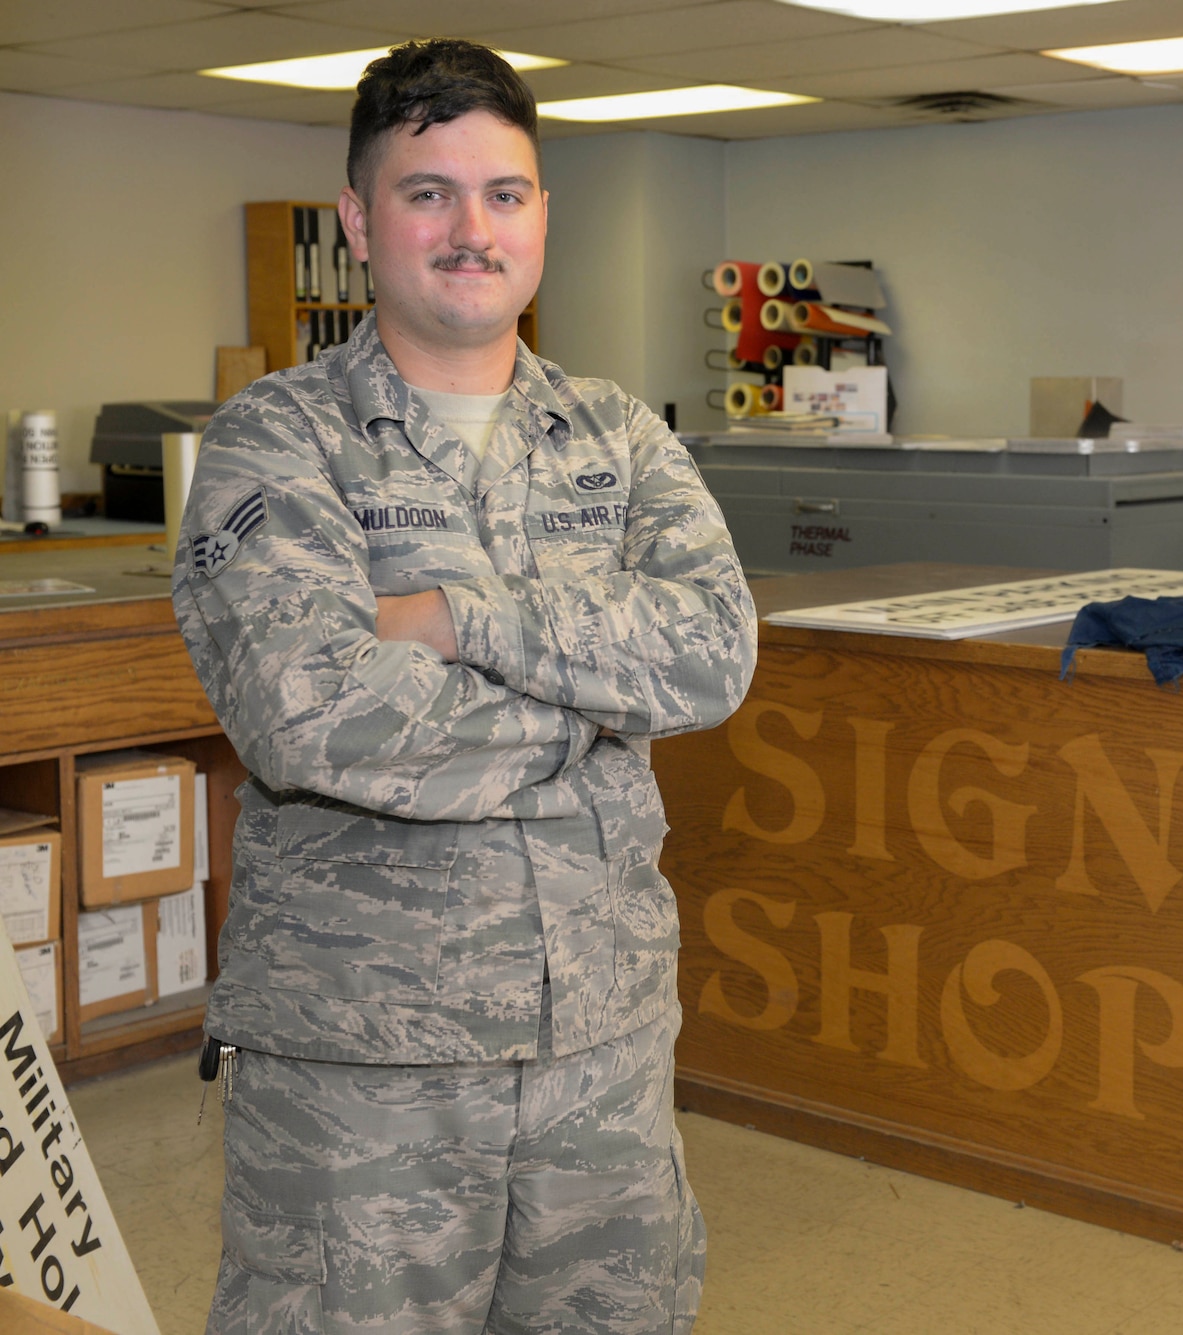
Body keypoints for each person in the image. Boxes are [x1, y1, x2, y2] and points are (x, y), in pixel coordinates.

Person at [171, 39, 754, 1334]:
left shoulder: (617, 435)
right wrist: (593, 712)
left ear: (543, 215)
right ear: (359, 220)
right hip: (366, 1063)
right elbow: (314, 717)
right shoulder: (279, 439)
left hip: (600, 1047)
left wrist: (449, 619)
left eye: (502, 193)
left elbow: (713, 652)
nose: (469, 228)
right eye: (427, 191)